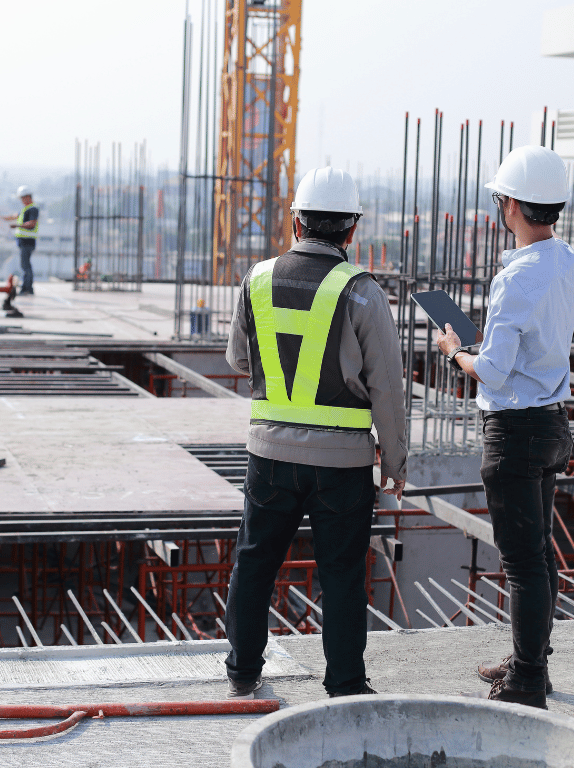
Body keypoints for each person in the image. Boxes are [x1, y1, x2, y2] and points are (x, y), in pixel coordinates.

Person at [223, 167, 407, 700]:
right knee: (343, 574)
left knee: (255, 562)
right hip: (343, 466)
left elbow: (238, 357)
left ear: (296, 221)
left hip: (270, 457)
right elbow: (388, 391)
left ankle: (242, 671)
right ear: (351, 230)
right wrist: (394, 464)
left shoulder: (256, 279)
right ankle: (346, 684)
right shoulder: (363, 293)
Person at [435, 145, 574, 710]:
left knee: (523, 563)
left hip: (515, 430)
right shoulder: (564, 260)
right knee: (540, 554)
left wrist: (454, 351)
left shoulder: (514, 278)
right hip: (552, 423)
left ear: (511, 204)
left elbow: (492, 370)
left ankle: (525, 683)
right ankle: (529, 665)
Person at [3, 185, 38, 295]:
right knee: (24, 265)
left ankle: (27, 288)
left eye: (23, 198)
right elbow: (13, 216)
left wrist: (17, 226)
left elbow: (32, 223)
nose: (22, 201)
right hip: (23, 242)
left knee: (25, 266)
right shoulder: (25, 209)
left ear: (28, 197)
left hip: (28, 241)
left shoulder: (33, 209)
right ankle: (27, 287)